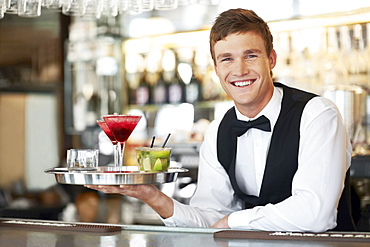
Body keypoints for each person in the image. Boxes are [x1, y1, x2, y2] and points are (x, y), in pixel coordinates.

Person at [86, 8, 354, 232]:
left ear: (271, 60)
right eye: (227, 59)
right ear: (216, 69)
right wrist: (152, 196)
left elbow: (316, 213)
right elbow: (209, 218)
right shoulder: (218, 131)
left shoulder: (317, 114)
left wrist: (233, 220)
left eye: (251, 55)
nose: (239, 70)